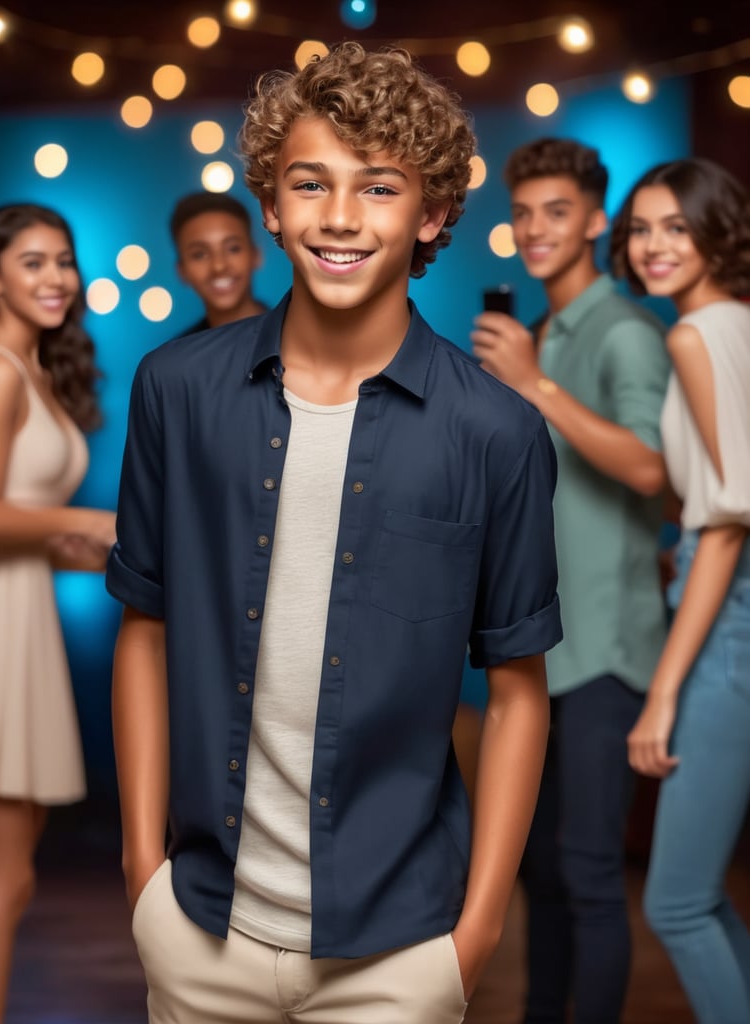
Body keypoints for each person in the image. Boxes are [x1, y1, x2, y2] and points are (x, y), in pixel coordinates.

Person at [107, 42, 563, 1024]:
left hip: (402, 945)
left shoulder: (499, 431)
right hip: (199, 922)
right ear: (270, 203)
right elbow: (144, 623)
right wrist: (142, 866)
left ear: (433, 212)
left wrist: (476, 931)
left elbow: (520, 687)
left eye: (381, 186)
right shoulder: (175, 391)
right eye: (309, 183)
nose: (342, 217)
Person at [470, 137, 671, 1024]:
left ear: (595, 222)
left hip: (604, 649)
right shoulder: (546, 330)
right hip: (540, 646)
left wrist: (532, 384)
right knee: (539, 868)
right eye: (521, 214)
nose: (534, 229)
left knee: (587, 871)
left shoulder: (624, 331)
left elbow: (651, 472)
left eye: (556, 211)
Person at [612, 157, 750, 1024]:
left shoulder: (694, 335)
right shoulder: (735, 322)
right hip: (725, 604)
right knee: (700, 898)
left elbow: (730, 520)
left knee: (674, 902)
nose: (654, 246)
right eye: (640, 228)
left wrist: (660, 695)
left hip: (729, 620)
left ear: (716, 231)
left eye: (674, 226)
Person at [0, 202, 116, 1022]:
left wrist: (112, 551)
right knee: (5, 877)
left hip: (17, 610)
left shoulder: (31, 370)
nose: (56, 278)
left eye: (62, 260)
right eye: (32, 262)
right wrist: (90, 521)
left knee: (12, 874)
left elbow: (21, 525)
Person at [169, 191, 267, 336]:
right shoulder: (176, 356)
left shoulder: (297, 333)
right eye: (199, 255)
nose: (218, 266)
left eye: (233, 249)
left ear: (255, 255)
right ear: (181, 271)